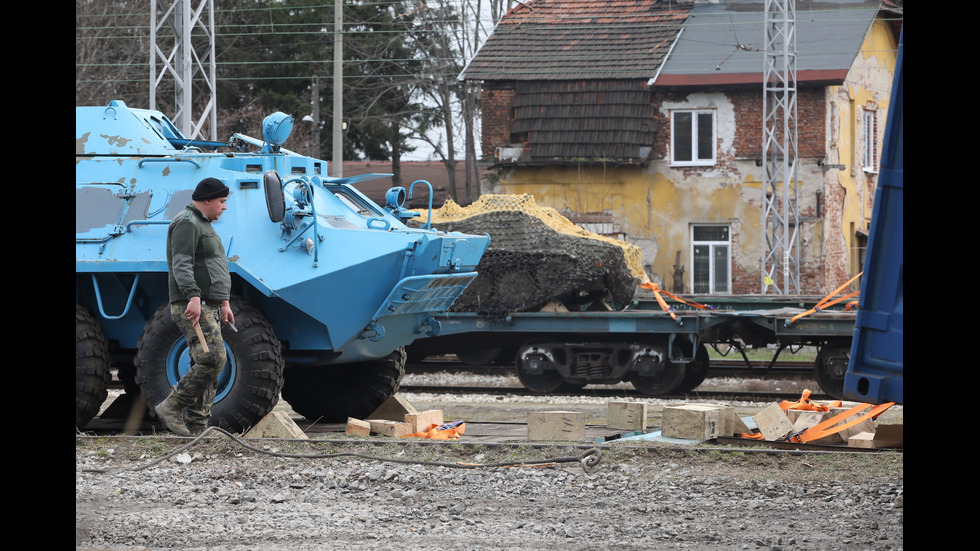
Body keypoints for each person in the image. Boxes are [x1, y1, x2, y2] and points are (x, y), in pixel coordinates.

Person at [154, 177, 235, 436]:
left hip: (210, 304)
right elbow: (181, 263)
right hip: (192, 304)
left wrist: (224, 301)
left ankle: (198, 429)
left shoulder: (204, 225)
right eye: (222, 202)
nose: (224, 207)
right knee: (213, 358)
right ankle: (171, 406)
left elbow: (213, 266)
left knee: (205, 362)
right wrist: (193, 297)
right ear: (208, 200)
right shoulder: (186, 223)